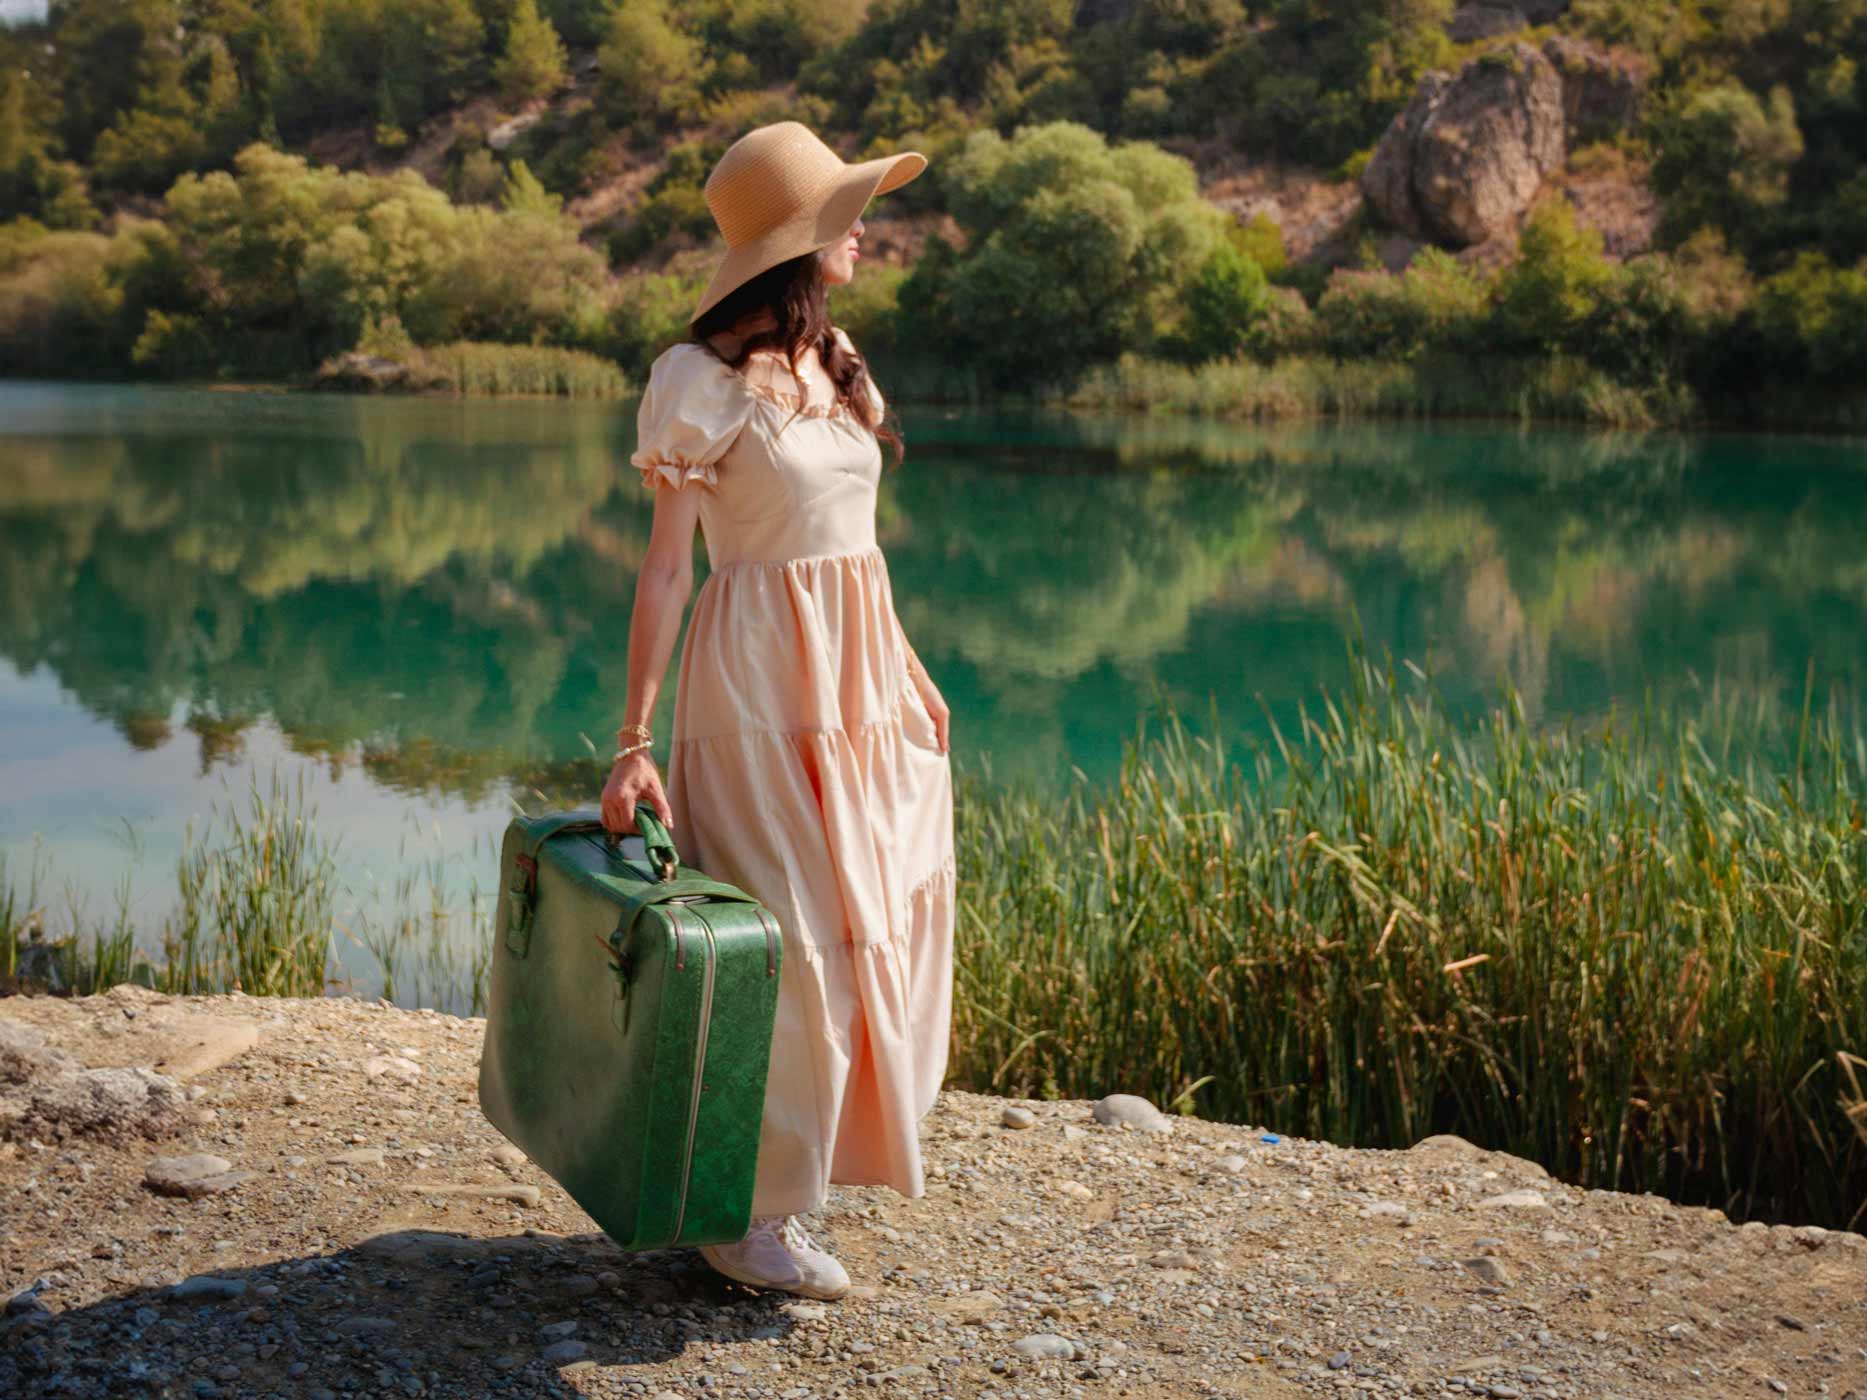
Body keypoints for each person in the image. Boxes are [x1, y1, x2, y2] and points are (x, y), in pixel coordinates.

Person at [599, 122, 955, 1302]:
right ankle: (741, 1211)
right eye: (847, 214)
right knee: (790, 941)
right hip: (752, 683)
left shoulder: (838, 357)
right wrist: (633, 743)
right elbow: (664, 569)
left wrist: (907, 667)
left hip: (858, 684)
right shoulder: (695, 382)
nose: (865, 230)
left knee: (868, 919)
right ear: (796, 245)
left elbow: (857, 544)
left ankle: (779, 1185)